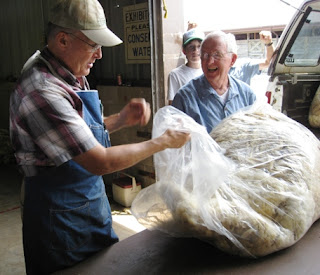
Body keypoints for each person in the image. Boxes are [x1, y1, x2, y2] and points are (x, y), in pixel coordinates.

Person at [9, 0, 190, 274]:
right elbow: (99, 162)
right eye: (94, 44)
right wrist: (161, 142)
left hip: (89, 203)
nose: (100, 55)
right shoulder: (43, 89)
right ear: (62, 40)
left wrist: (119, 120)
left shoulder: (69, 72)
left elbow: (75, 133)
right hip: (59, 219)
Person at [172, 30, 256, 134]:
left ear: (232, 59)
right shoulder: (185, 98)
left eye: (217, 55)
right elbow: (175, 144)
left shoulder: (247, 95)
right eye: (205, 55)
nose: (210, 62)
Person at [167, 28, 205, 105]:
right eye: (191, 47)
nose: (195, 50)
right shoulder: (175, 75)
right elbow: (172, 105)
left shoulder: (208, 72)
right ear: (184, 51)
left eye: (199, 46)